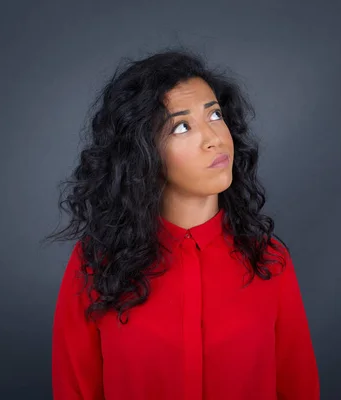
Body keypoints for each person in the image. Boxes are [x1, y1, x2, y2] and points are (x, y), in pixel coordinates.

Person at [45, 48, 320, 400]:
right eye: (182, 126)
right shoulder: (97, 264)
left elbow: (300, 388)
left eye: (215, 115)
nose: (214, 138)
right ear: (143, 152)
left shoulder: (269, 260)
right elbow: (75, 391)